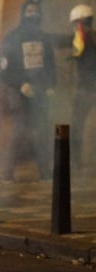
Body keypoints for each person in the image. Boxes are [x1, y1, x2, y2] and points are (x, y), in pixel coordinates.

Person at [0, 0, 56, 182]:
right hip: (19, 91)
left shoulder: (44, 38)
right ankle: (8, 173)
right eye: (29, 11)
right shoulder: (13, 37)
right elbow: (4, 69)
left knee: (42, 130)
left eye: (36, 11)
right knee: (20, 130)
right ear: (23, 14)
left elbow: (50, 65)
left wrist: (50, 86)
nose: (33, 15)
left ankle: (44, 172)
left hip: (39, 90)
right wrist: (20, 84)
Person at [68, 4, 96, 169]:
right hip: (88, 89)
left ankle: (75, 160)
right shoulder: (89, 38)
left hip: (87, 89)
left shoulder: (82, 40)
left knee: (77, 124)